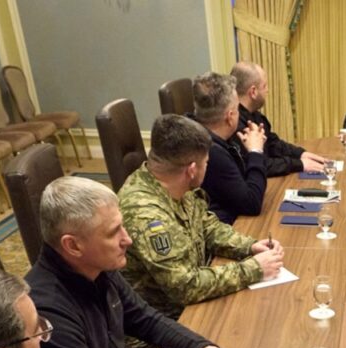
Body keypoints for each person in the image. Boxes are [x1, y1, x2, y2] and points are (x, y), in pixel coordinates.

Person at [26, 176, 247, 348]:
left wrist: (199, 347)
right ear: (73, 245)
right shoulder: (44, 313)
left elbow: (145, 319)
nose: (127, 240)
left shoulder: (95, 267)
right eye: (113, 232)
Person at [119, 114, 284, 320]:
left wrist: (249, 246)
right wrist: (253, 269)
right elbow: (185, 287)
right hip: (165, 325)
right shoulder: (146, 215)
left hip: (193, 307)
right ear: (192, 169)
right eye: (206, 162)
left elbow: (207, 226)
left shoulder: (175, 184)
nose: (207, 167)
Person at [191, 71, 267, 224]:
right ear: (230, 116)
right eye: (238, 109)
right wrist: (256, 151)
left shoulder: (197, 129)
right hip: (224, 230)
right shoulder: (211, 151)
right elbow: (251, 204)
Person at [232, 61, 327, 176]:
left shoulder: (255, 115)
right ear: (253, 92)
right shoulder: (234, 123)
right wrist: (299, 164)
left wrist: (300, 154)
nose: (267, 90)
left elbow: (273, 144)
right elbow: (260, 164)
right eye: (264, 86)